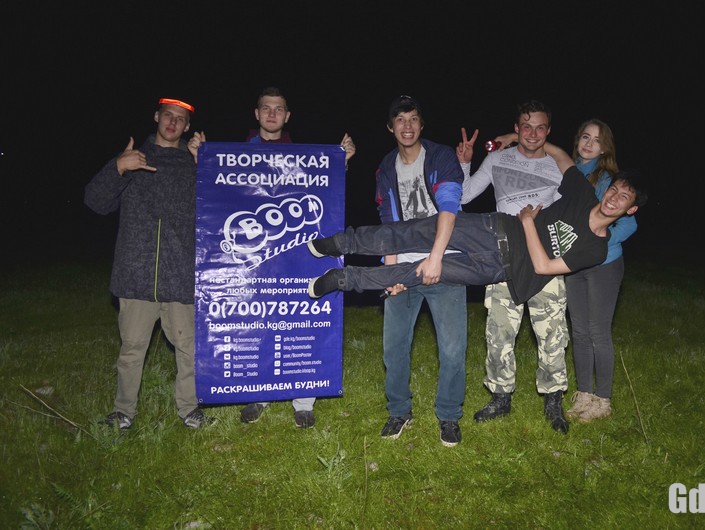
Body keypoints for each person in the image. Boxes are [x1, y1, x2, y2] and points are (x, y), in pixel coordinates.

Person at [306, 143, 646, 320]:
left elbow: (544, 266)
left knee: (418, 273)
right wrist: (516, 139)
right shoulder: (583, 194)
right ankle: (339, 242)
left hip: (499, 268)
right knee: (415, 232)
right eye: (614, 189)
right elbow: (560, 156)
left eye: (623, 198)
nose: (613, 197)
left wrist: (529, 223)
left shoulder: (597, 249)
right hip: (492, 228)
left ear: (630, 209)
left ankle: (343, 280)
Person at [84, 98, 212, 430]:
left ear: (187, 127)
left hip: (180, 275)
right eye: (168, 115)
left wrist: (205, 164)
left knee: (189, 348)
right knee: (131, 349)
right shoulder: (134, 159)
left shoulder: (194, 163)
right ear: (157, 117)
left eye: (180, 119)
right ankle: (123, 411)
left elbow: (220, 207)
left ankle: (190, 409)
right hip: (135, 275)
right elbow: (95, 201)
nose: (173, 122)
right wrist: (117, 167)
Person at [238, 86, 357, 428]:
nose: (272, 114)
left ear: (287, 116)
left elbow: (323, 188)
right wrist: (199, 159)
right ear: (257, 114)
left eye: (278, 109)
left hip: (294, 254)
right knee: (259, 323)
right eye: (266, 108)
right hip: (256, 258)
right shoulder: (237, 154)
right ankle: (258, 395)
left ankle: (303, 400)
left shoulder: (301, 155)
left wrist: (342, 162)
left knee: (300, 320)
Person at [456, 100, 570, 433]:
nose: (532, 134)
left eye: (540, 127)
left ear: (548, 131)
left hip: (544, 259)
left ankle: (553, 399)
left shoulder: (558, 166)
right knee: (499, 331)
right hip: (503, 256)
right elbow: (463, 196)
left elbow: (576, 206)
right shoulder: (497, 159)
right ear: (516, 128)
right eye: (526, 127)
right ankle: (500, 396)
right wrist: (464, 163)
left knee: (552, 333)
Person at [364, 95, 467, 447]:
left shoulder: (440, 156)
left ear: (421, 124)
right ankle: (399, 411)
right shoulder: (385, 168)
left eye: (413, 119)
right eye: (400, 119)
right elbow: (388, 224)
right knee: (394, 347)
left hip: (445, 262)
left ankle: (449, 415)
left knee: (452, 349)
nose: (407, 126)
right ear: (390, 127)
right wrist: (391, 273)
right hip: (404, 266)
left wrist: (436, 258)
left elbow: (450, 207)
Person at [561, 119, 638, 422]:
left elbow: (629, 224)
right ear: (577, 140)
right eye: (585, 137)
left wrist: (600, 244)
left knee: (598, 331)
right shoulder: (566, 172)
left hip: (603, 265)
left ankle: (602, 400)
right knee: (579, 331)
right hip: (574, 263)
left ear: (605, 148)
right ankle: (584, 395)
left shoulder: (605, 179)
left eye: (597, 140)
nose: (589, 144)